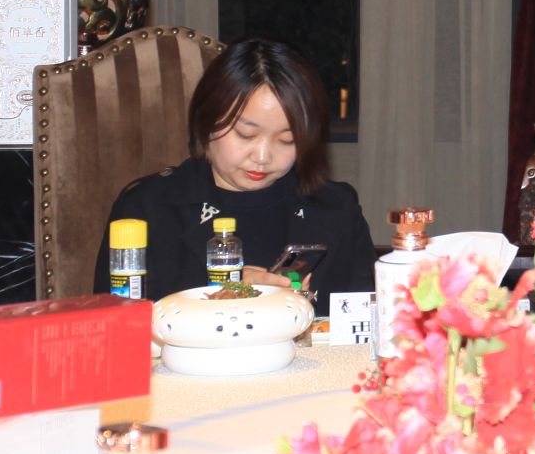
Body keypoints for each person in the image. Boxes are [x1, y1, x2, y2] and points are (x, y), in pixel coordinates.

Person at [92, 38, 377, 299]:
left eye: (287, 140)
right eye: (245, 135)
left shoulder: (335, 209)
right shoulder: (148, 209)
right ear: (206, 121)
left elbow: (364, 320)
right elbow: (113, 326)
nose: (263, 157)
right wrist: (222, 296)